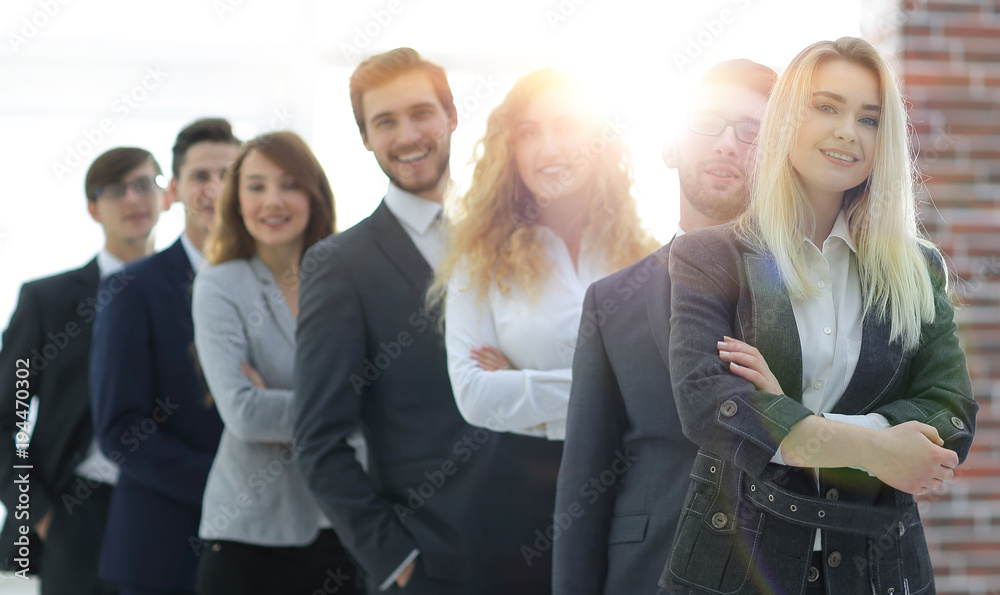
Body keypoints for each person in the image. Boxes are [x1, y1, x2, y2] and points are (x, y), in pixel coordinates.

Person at [664, 37, 978, 594]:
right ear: (786, 117)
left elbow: (952, 414)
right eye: (827, 107)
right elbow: (709, 405)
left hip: (879, 570)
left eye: (869, 119)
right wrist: (878, 448)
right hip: (734, 568)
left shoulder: (917, 269)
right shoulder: (711, 256)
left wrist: (787, 417)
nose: (846, 132)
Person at [551, 59, 776, 595]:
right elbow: (585, 478)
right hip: (647, 574)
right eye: (708, 123)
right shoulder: (609, 303)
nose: (728, 143)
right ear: (670, 144)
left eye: (752, 131)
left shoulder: (819, 292)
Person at [432, 68, 659, 594]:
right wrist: (609, 390)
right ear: (509, 150)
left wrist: (527, 383)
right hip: (516, 500)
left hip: (627, 489)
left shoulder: (643, 254)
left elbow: (660, 390)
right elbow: (473, 393)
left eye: (566, 126)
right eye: (529, 132)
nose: (548, 147)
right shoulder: (478, 258)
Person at [293, 48, 494, 594]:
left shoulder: (509, 237)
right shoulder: (339, 265)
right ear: (365, 138)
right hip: (432, 561)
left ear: (451, 116)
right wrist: (396, 562)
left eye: (421, 113)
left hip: (546, 545)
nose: (407, 135)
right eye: (385, 121)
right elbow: (317, 441)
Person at [190, 130, 363, 595]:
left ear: (314, 192)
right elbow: (245, 415)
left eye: (289, 184)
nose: (273, 201)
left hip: (347, 527)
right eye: (256, 186)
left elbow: (390, 395)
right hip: (250, 538)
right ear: (236, 199)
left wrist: (281, 403)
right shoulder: (220, 285)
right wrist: (349, 411)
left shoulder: (352, 279)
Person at [0, 147, 167, 594]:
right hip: (78, 511)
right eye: (116, 190)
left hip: (170, 507)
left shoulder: (197, 292)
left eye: (144, 185)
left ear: (167, 195)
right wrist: (38, 513)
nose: (133, 199)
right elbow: (4, 418)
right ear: (94, 208)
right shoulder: (47, 301)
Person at [89, 118, 240, 595]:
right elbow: (121, 431)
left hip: (264, 547)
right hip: (164, 549)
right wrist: (232, 483)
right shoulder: (132, 289)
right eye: (200, 177)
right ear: (173, 190)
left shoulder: (274, 283)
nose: (215, 189)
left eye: (230, 175)